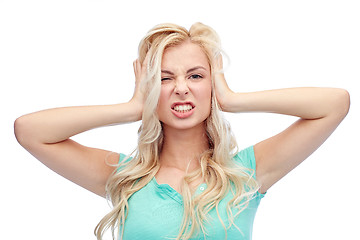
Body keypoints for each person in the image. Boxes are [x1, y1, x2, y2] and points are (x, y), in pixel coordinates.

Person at [14, 22, 350, 240]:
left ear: (212, 84)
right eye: (164, 78)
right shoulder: (127, 178)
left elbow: (334, 104)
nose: (180, 89)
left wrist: (231, 99)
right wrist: (132, 108)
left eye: (195, 76)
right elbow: (29, 130)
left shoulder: (246, 172)